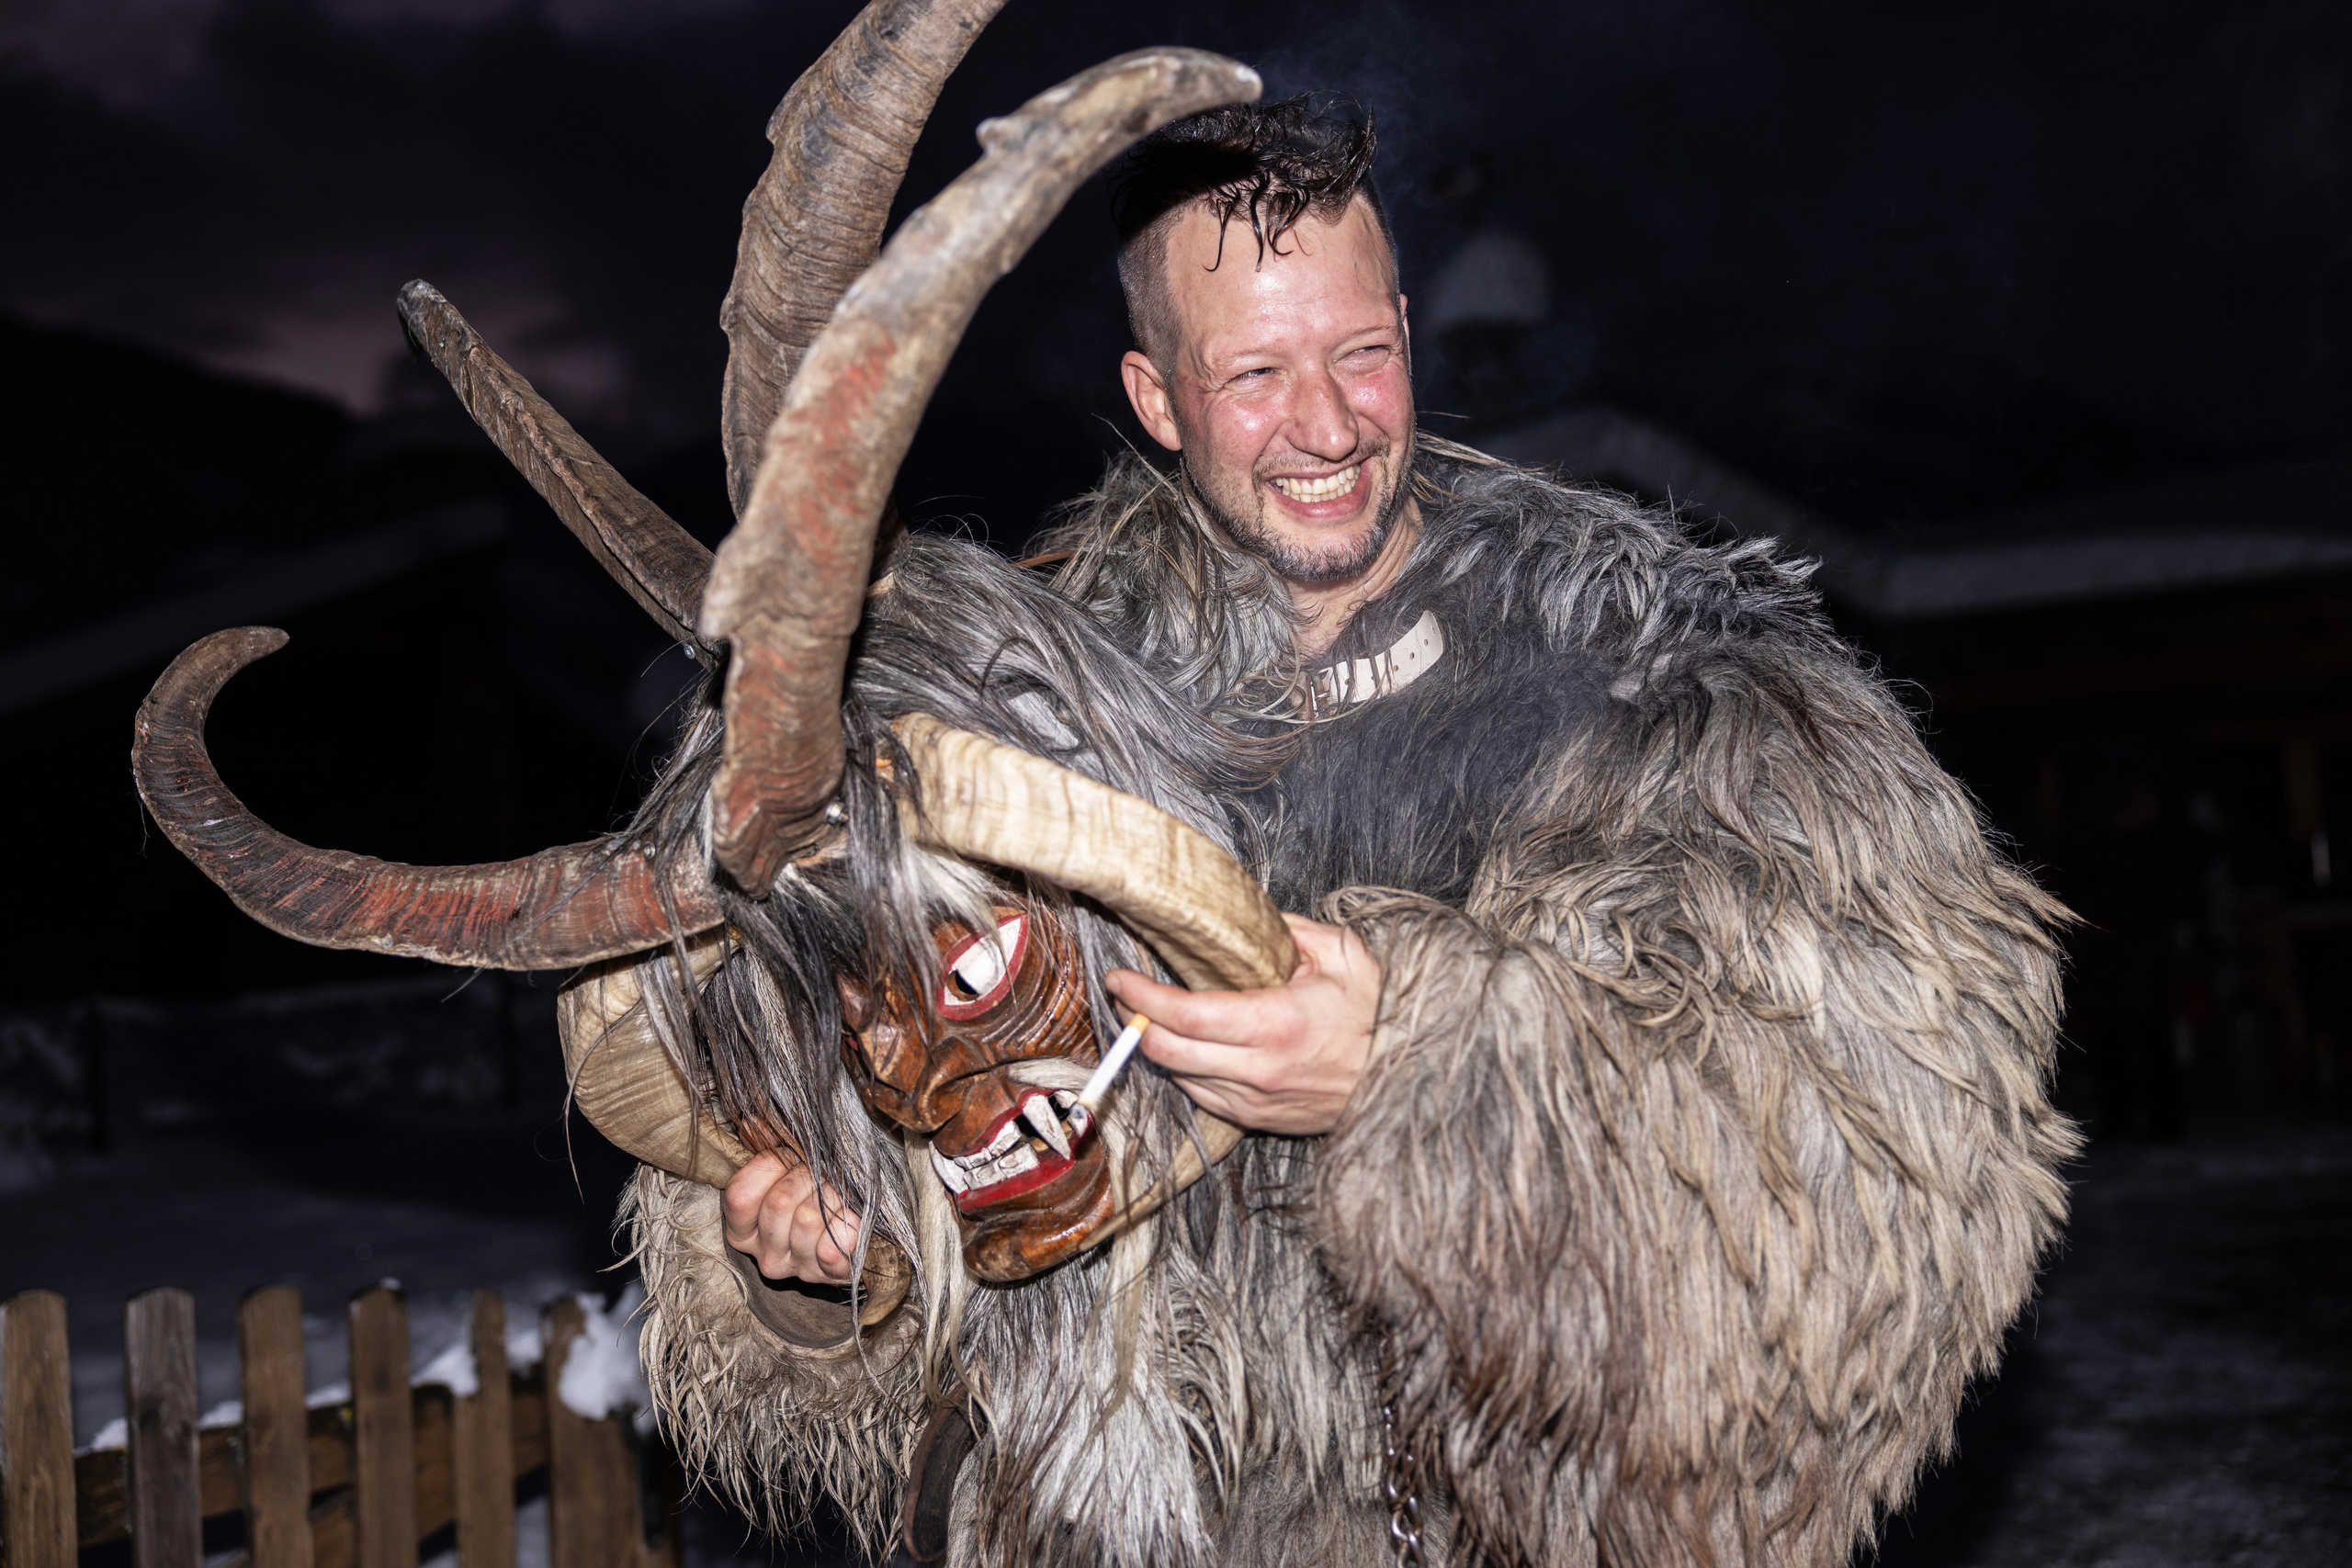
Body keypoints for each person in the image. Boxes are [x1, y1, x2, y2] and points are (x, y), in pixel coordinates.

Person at [682, 96, 2075, 1565]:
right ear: (1157, 401)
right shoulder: (1020, 726)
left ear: (1409, 330)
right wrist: (814, 1272)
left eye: (1362, 353)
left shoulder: (1658, 682)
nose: (1331, 426)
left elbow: (1904, 1140)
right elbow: (934, 1150)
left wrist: (1422, 1060)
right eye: (1258, 375)